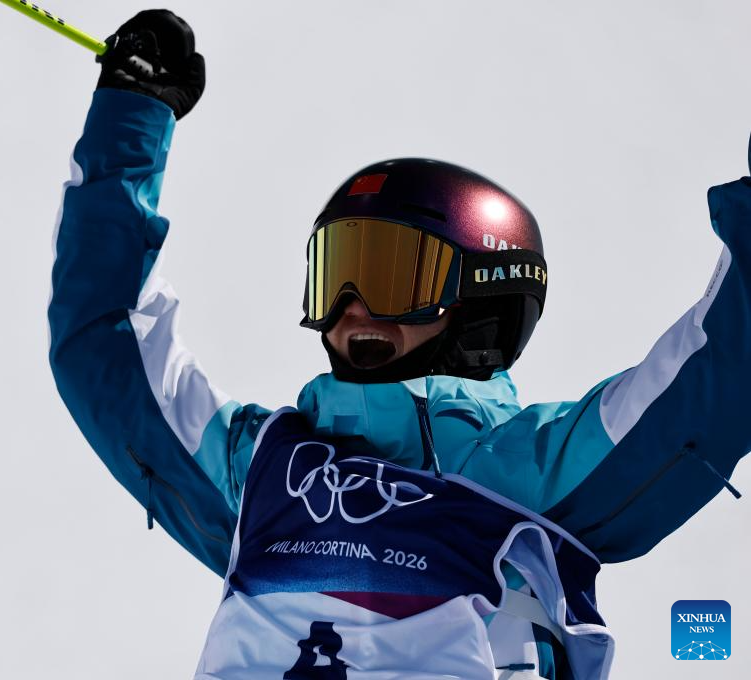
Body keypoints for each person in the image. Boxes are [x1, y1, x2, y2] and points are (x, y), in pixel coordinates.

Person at [47, 10, 750, 679]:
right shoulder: (262, 470)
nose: (353, 307)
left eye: (393, 277)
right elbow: (107, 349)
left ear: (481, 301)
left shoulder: (530, 471)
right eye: (336, 275)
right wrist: (131, 114)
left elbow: (718, 375)